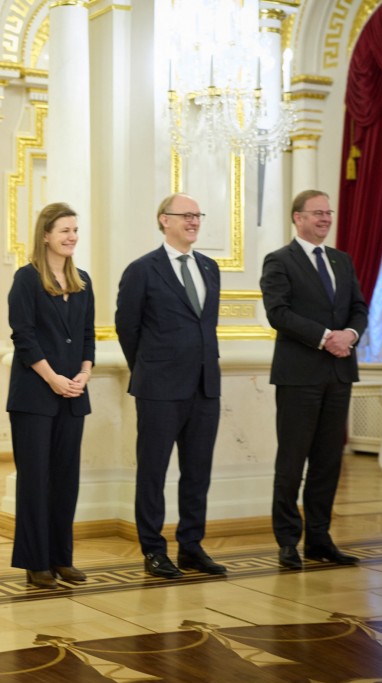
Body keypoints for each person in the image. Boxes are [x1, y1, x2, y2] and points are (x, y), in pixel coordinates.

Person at [115, 193, 226, 579]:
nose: (194, 221)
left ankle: (191, 546)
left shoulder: (210, 267)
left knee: (198, 473)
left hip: (204, 387)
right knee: (153, 472)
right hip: (159, 388)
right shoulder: (142, 270)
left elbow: (205, 325)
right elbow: (127, 328)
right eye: (186, 215)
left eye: (198, 215)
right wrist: (149, 369)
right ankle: (153, 550)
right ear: (164, 219)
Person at [260, 190, 368, 569]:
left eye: (328, 212)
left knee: (328, 462)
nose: (325, 218)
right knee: (291, 463)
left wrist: (349, 335)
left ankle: (319, 539)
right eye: (317, 212)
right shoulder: (279, 260)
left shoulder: (342, 260)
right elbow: (278, 313)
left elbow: (358, 308)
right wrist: (326, 338)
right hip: (298, 376)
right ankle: (288, 542)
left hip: (338, 374)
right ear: (298, 217)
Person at [7, 203, 95, 589]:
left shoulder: (83, 281)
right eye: (64, 231)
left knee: (65, 480)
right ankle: (36, 562)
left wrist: (84, 374)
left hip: (73, 395)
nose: (72, 237)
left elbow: (88, 336)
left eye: (74, 230)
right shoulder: (26, 279)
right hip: (34, 396)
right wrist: (53, 378)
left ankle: (62, 558)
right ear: (45, 235)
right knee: (35, 480)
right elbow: (23, 336)